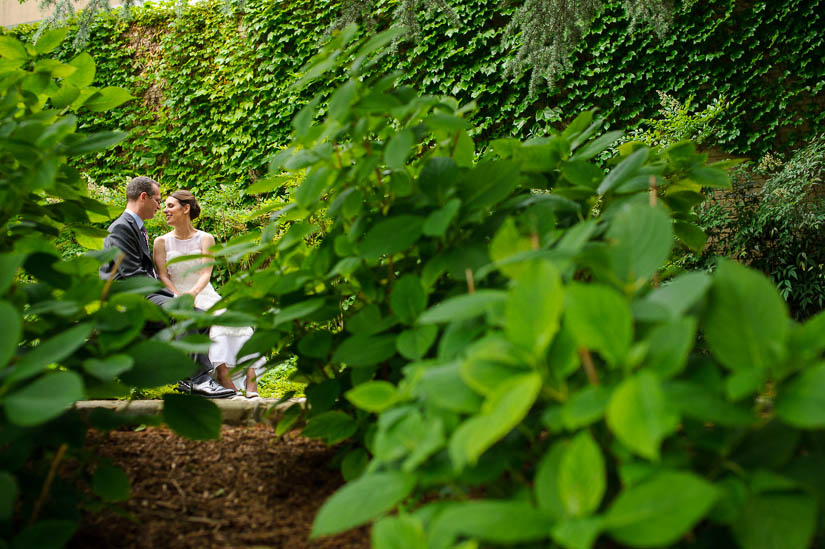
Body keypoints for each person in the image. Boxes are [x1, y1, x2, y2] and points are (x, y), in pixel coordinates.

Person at [99, 176, 235, 399]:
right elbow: (133, 275)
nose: (159, 207)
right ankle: (199, 381)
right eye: (158, 200)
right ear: (144, 197)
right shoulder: (122, 228)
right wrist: (172, 296)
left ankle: (188, 379)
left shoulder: (135, 227)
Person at [154, 190, 265, 398]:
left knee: (236, 323)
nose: (165, 210)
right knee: (212, 326)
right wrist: (179, 297)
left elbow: (206, 272)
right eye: (165, 206)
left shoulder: (205, 238)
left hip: (203, 291)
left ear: (185, 208)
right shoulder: (161, 242)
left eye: (170, 206)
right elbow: (163, 276)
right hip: (176, 295)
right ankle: (224, 379)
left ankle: (252, 383)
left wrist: (194, 293)